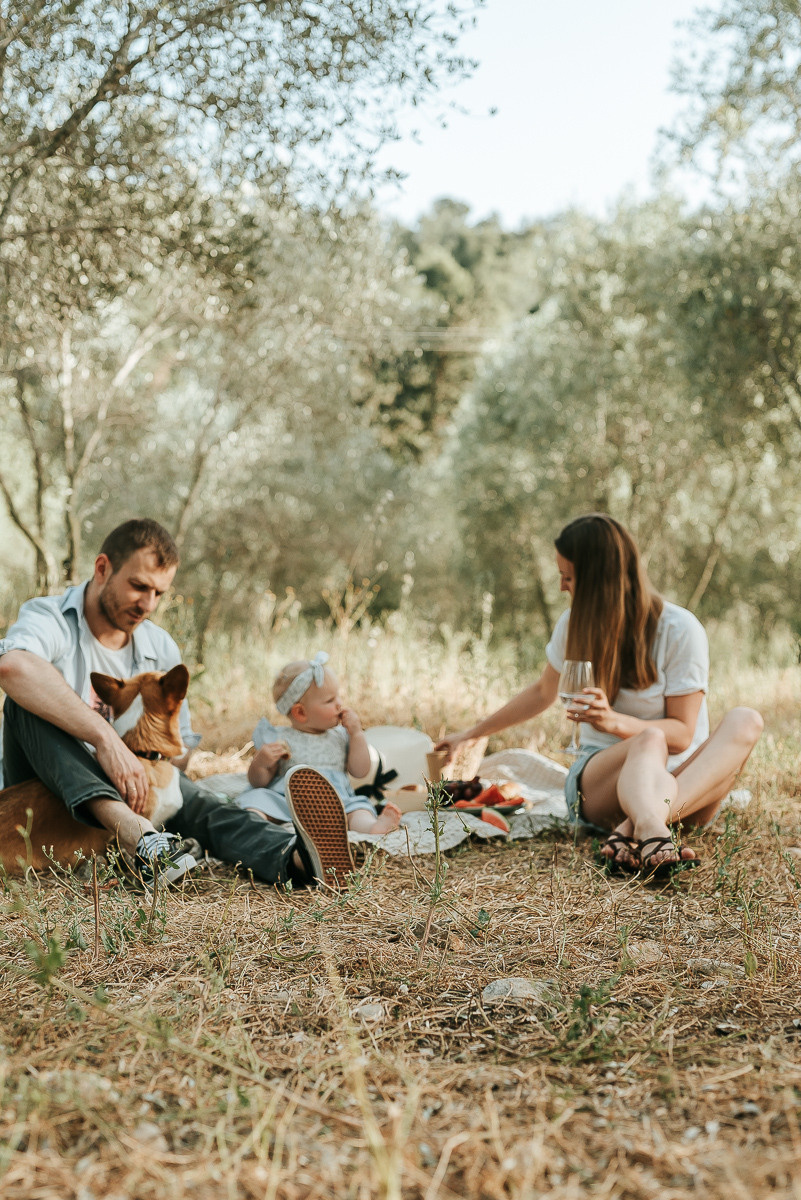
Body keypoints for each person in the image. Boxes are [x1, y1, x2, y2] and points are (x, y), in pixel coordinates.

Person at [0, 518, 350, 888]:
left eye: (159, 593)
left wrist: (154, 770)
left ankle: (296, 858)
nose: (147, 604)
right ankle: (137, 834)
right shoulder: (50, 616)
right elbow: (13, 667)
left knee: (202, 803)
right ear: (102, 568)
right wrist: (106, 740)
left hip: (134, 782)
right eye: (138, 586)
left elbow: (179, 751)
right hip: (48, 780)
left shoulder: (159, 646)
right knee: (24, 702)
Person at [436, 513, 763, 877]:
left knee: (745, 720)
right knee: (648, 739)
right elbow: (543, 692)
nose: (561, 586)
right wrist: (470, 735)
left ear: (599, 581)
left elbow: (684, 735)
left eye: (569, 576)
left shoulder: (680, 629)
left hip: (687, 787)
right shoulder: (573, 624)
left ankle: (635, 825)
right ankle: (654, 829)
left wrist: (611, 720)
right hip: (601, 782)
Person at [236, 652, 402, 835]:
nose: (339, 704)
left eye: (338, 696)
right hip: (289, 803)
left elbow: (360, 771)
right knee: (257, 800)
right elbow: (259, 782)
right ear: (300, 713)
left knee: (358, 809)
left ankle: (372, 827)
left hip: (335, 803)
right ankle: (255, 825)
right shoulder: (280, 738)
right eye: (330, 700)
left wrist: (356, 734)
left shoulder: (341, 735)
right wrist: (261, 762)